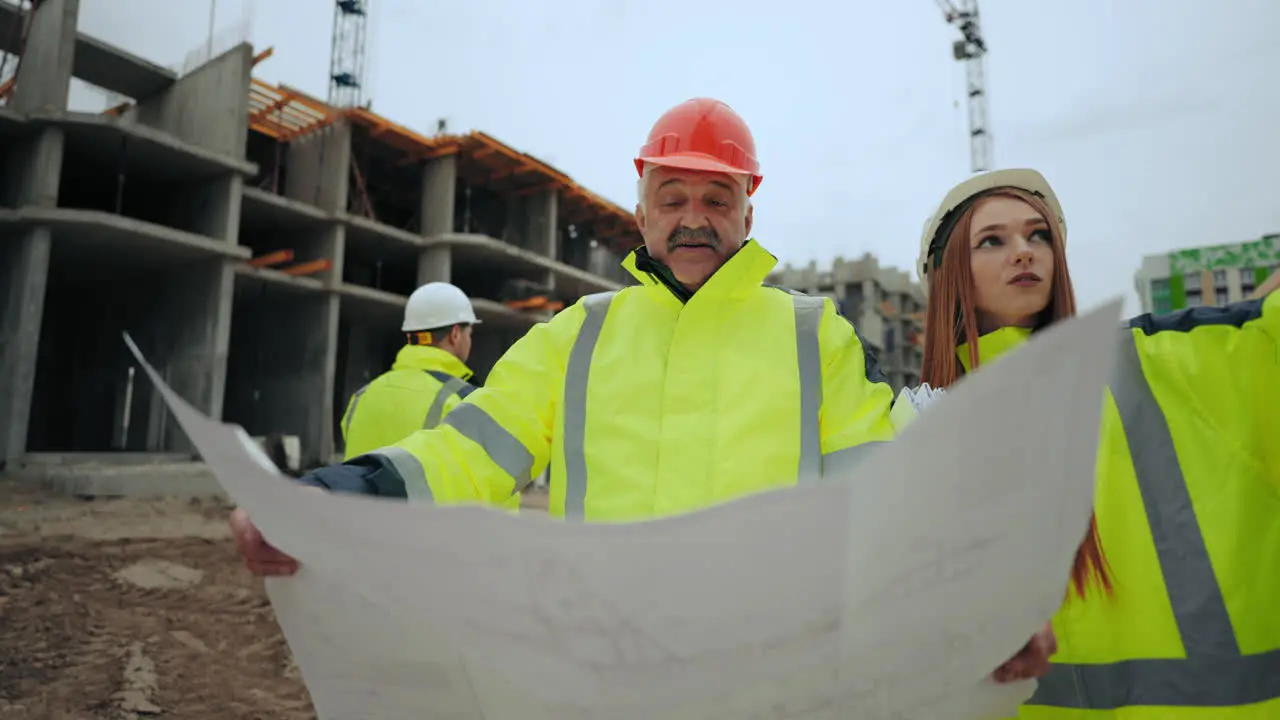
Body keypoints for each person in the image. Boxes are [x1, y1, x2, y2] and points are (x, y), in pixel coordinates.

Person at [230, 98, 1058, 683]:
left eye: (714, 197)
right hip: (605, 677)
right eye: (673, 197)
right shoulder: (579, 335)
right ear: (641, 208)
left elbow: (883, 498)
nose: (693, 216)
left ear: (748, 209)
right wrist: (319, 499)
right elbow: (464, 453)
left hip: (777, 679)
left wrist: (976, 606)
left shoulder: (814, 336)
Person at [914, 168, 1280, 716]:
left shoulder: (1160, 360)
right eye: (993, 240)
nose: (1024, 252)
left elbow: (1263, 331)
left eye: (1039, 236)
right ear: (948, 276)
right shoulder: (916, 428)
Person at [339, 281, 480, 460]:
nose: (469, 340)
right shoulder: (464, 402)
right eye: (469, 333)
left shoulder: (361, 397)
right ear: (455, 334)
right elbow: (495, 481)